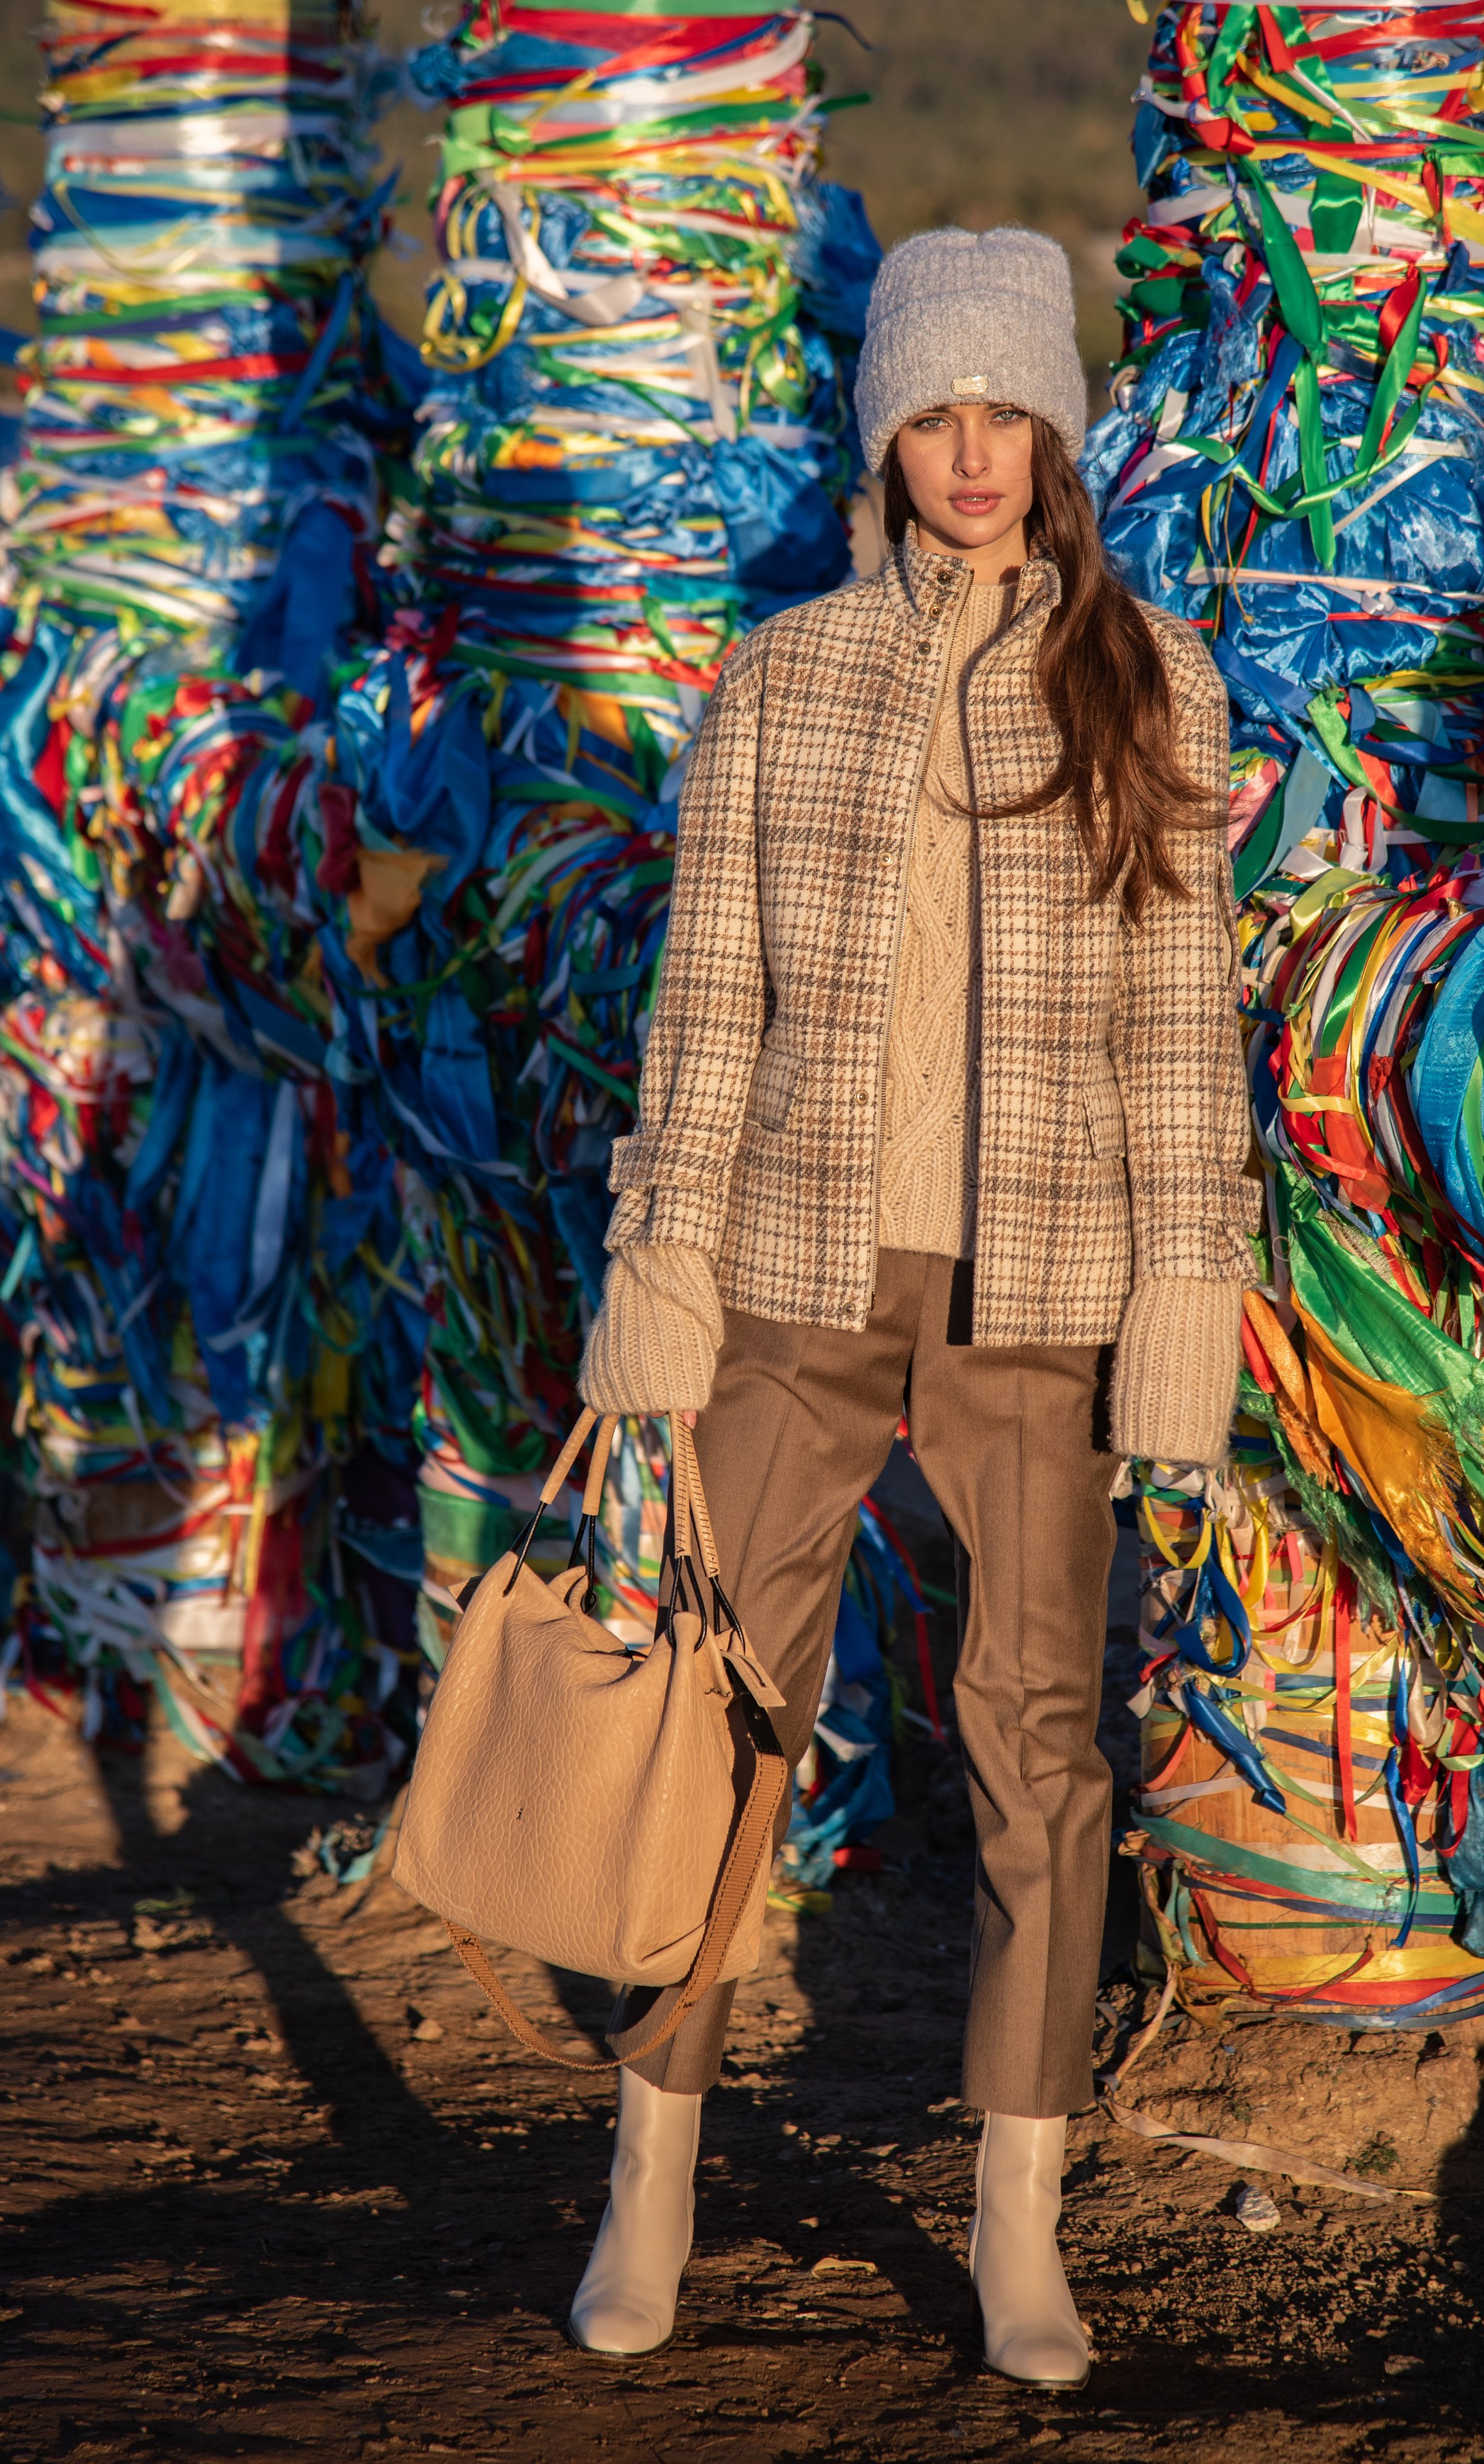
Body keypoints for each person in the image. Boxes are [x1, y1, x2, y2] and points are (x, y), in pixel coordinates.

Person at [568, 225, 1256, 2386]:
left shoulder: (1153, 685)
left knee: (1041, 1746)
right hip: (791, 1269)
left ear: (1054, 431)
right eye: (934, 414)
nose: (972, 453)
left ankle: (1016, 2217)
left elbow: (1181, 1036)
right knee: (721, 1715)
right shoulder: (777, 683)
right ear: (888, 434)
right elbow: (703, 1014)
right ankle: (649, 2173)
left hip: (1042, 1291)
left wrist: (1182, 1297)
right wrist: (662, 1261)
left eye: (1006, 412)